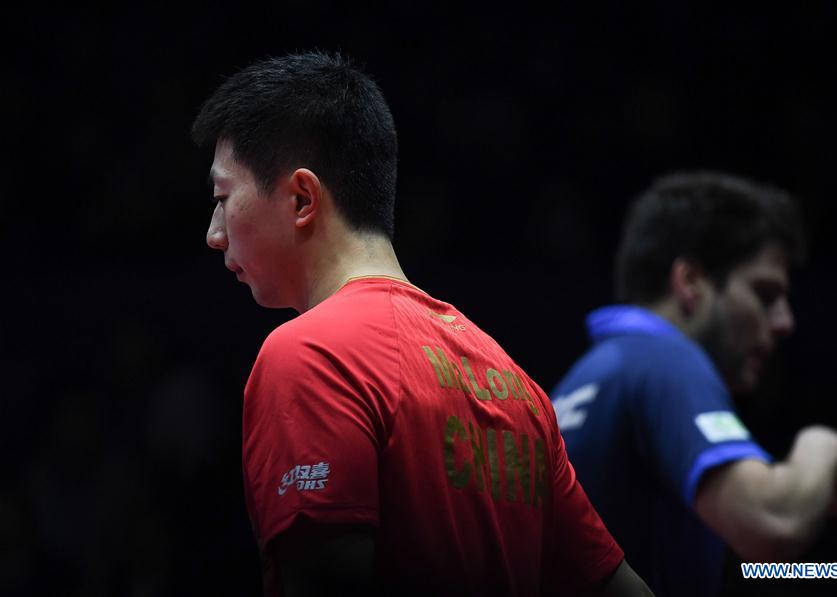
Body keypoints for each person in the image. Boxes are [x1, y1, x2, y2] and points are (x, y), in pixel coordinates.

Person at [192, 52, 652, 597]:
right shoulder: (514, 384)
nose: (214, 234)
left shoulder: (310, 355)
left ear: (301, 198)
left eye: (223, 198)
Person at [551, 172, 837, 596]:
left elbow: (750, 572)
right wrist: (824, 444)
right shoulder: (663, 360)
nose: (784, 322)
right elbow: (772, 524)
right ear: (690, 282)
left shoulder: (583, 381)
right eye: (764, 294)